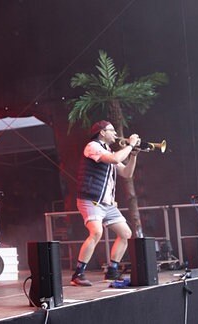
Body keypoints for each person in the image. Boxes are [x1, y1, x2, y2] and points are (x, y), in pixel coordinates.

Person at [70, 120, 139, 287]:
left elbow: (126, 173)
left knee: (125, 233)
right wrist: (130, 145)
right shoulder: (92, 146)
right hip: (90, 200)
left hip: (107, 204)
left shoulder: (107, 150)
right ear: (102, 132)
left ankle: (112, 271)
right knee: (96, 232)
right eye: (112, 130)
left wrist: (134, 154)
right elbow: (115, 159)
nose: (115, 134)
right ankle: (78, 274)